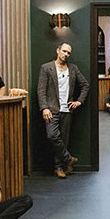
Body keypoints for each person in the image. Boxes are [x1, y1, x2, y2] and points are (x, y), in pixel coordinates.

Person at [36, 42, 89, 178]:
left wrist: (79, 101)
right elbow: (41, 90)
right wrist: (44, 108)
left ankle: (59, 167)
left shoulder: (73, 69)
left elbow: (85, 85)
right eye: (64, 51)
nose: (66, 54)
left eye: (68, 53)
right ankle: (69, 159)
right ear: (58, 51)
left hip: (67, 110)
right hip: (51, 109)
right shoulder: (46, 68)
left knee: (63, 140)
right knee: (52, 136)